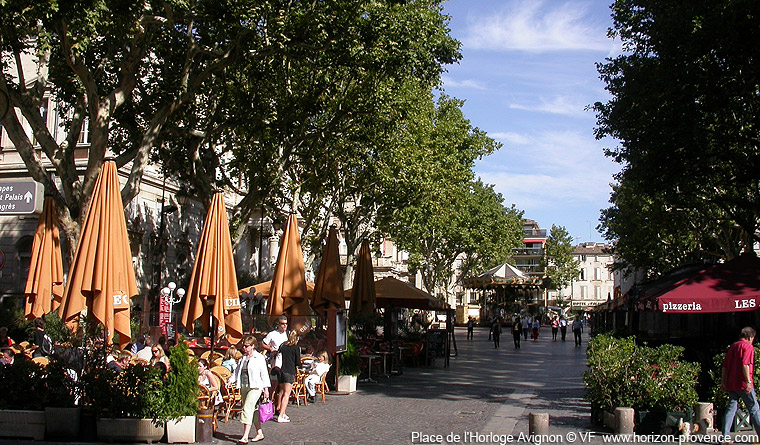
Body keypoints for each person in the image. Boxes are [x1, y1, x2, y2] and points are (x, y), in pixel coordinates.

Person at [228, 336, 270, 443]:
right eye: (244, 346)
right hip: (244, 386)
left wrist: (266, 389)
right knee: (253, 410)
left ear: (253, 346)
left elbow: (264, 374)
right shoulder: (243, 358)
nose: (244, 348)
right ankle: (259, 432)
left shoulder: (259, 358)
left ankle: (245, 436)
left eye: (247, 346)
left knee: (247, 408)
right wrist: (230, 381)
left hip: (256, 387)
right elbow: (237, 372)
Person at [722, 327, 760, 439]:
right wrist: (748, 381)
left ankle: (725, 436)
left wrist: (723, 381)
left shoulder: (733, 346)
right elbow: (745, 364)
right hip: (743, 384)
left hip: (732, 383)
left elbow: (725, 366)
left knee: (731, 408)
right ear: (750, 337)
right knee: (754, 408)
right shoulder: (748, 347)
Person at [275, 330, 301, 423]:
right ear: (297, 338)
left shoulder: (283, 345)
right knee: (287, 394)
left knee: (281, 391)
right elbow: (298, 362)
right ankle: (281, 415)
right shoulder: (296, 347)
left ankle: (280, 409)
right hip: (289, 371)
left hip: (280, 371)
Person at [260, 316, 289, 396]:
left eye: (286, 324)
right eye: (283, 324)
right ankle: (268, 400)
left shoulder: (288, 334)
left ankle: (278, 404)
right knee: (274, 383)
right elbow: (262, 344)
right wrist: (270, 349)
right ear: (278, 324)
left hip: (286, 361)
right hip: (276, 361)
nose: (284, 326)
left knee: (283, 385)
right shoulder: (272, 334)